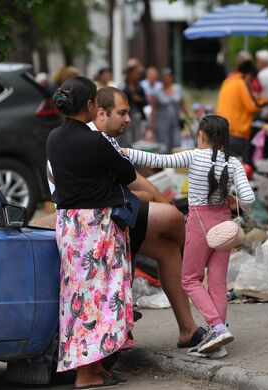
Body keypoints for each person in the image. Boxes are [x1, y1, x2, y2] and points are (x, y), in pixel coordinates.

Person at [47, 86, 203, 354]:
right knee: (172, 219)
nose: (128, 119)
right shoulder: (94, 140)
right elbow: (131, 180)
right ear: (97, 110)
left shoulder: (59, 137)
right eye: (122, 112)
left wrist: (149, 197)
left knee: (166, 249)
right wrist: (150, 199)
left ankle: (187, 328)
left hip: (95, 217)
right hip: (102, 220)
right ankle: (194, 270)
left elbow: (131, 177)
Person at [122, 115, 255, 358]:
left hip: (199, 224)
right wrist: (236, 204)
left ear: (202, 135)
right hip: (224, 225)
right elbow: (249, 199)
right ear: (224, 138)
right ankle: (218, 340)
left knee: (190, 280)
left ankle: (215, 327)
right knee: (217, 283)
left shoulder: (193, 155)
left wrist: (125, 151)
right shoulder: (233, 163)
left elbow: (158, 159)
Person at [46, 76, 134, 389]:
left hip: (68, 224)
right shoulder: (94, 141)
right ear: (90, 105)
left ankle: (92, 369)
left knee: (77, 298)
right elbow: (128, 173)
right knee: (103, 296)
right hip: (97, 225)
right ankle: (87, 373)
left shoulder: (53, 138)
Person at [216, 60, 268, 161]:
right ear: (249, 74)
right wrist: (267, 101)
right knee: (236, 167)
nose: (250, 83)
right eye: (251, 79)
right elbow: (252, 106)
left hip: (223, 129)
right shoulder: (241, 83)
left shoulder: (227, 81)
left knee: (225, 165)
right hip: (237, 131)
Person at [149, 68, 190, 153]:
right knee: (164, 146)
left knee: (177, 143)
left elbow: (183, 104)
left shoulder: (178, 89)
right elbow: (154, 109)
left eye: (168, 76)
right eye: (164, 77)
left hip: (175, 123)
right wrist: (152, 124)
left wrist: (188, 118)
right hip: (162, 124)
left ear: (172, 77)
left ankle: (175, 165)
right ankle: (165, 165)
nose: (166, 79)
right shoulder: (157, 91)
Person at [122, 62, 148, 146]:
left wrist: (139, 99)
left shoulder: (140, 87)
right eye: (135, 73)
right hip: (127, 116)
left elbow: (145, 102)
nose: (137, 75)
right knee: (127, 138)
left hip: (138, 116)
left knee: (138, 139)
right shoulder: (123, 87)